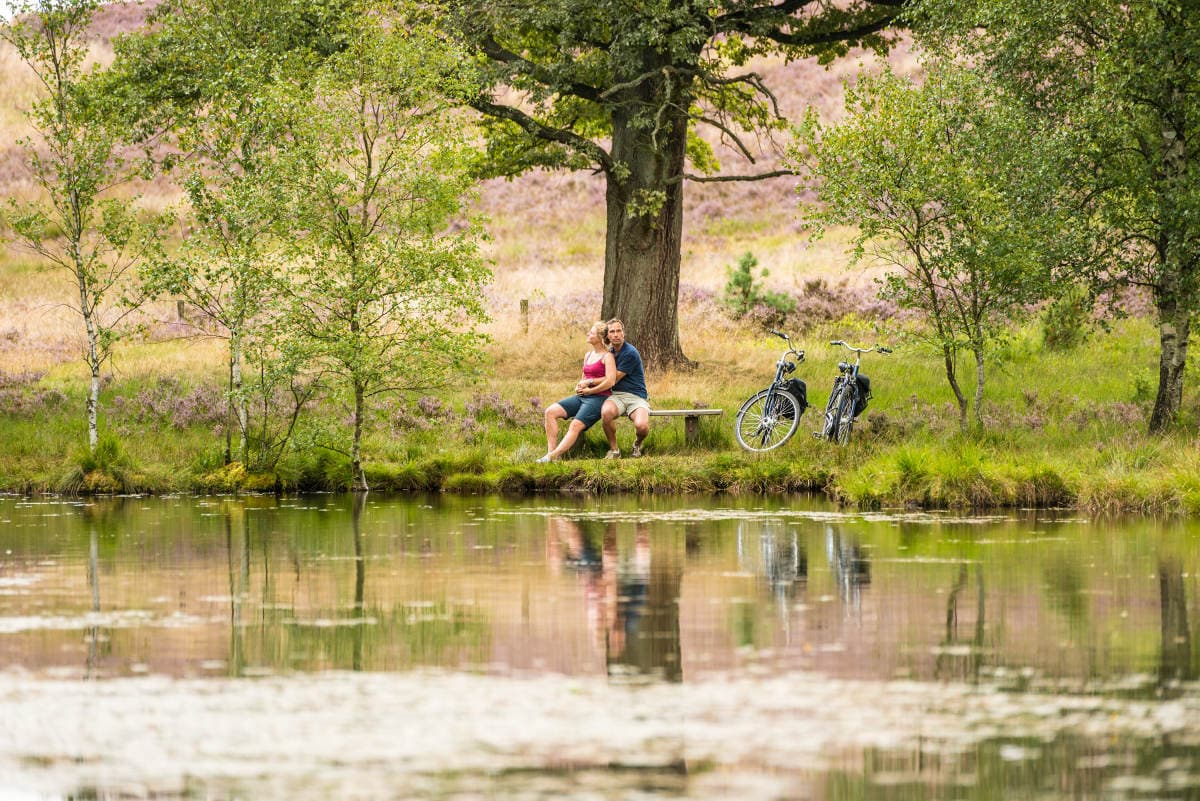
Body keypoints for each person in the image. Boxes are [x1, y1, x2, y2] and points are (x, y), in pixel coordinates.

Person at [538, 321, 617, 462]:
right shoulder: (588, 355)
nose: (588, 334)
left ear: (599, 337)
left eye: (591, 333)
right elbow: (584, 377)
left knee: (575, 425)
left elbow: (610, 381)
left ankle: (552, 457)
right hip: (582, 396)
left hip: (599, 399)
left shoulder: (607, 357)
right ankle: (551, 454)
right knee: (550, 412)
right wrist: (578, 387)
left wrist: (590, 391)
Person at [598, 318, 650, 458]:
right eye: (612, 331)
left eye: (618, 331)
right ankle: (615, 451)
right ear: (608, 335)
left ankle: (637, 445)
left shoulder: (630, 353)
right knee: (606, 413)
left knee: (642, 426)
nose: (615, 334)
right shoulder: (610, 352)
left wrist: (590, 383)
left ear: (623, 333)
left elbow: (613, 379)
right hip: (617, 396)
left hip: (636, 396)